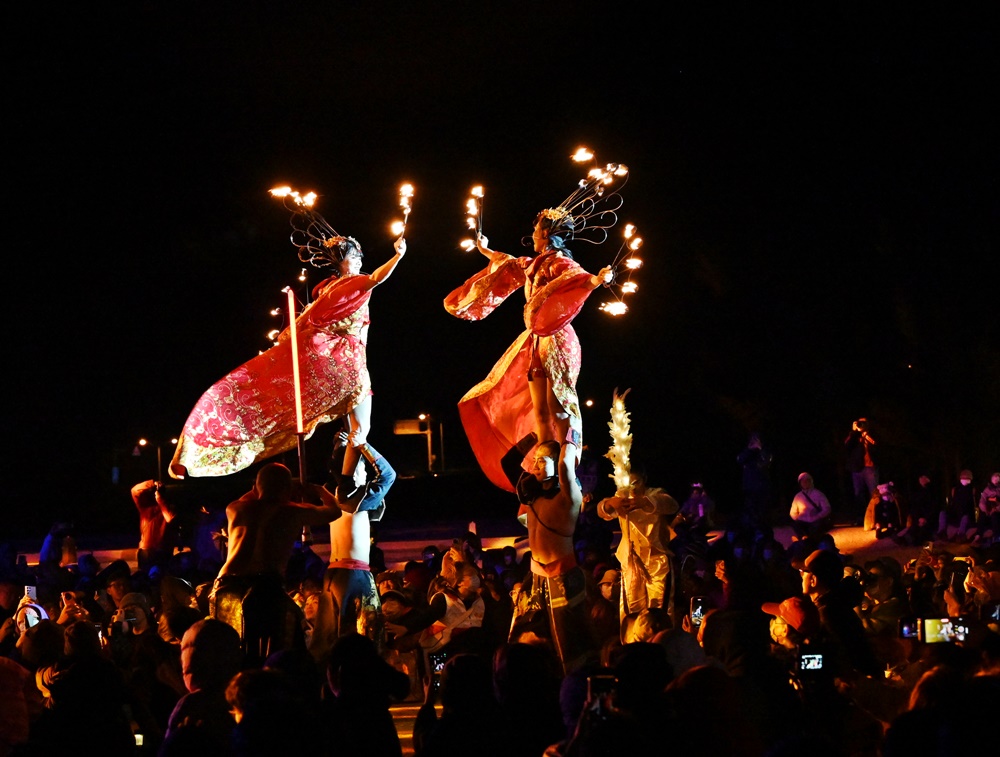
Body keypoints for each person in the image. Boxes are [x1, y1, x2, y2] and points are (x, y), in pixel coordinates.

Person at [170, 231, 406, 480]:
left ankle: (347, 481)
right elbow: (377, 278)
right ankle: (352, 481)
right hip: (347, 366)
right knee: (360, 431)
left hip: (340, 363)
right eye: (353, 256)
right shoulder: (350, 284)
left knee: (356, 432)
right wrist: (398, 256)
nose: (358, 260)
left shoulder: (328, 289)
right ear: (339, 262)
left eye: (359, 256)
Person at [444, 210, 613, 490]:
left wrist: (596, 281)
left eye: (535, 229)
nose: (532, 234)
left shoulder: (559, 262)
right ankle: (546, 478)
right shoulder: (534, 264)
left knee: (559, 413)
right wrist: (485, 249)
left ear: (546, 234)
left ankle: (566, 476)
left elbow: (578, 277)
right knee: (541, 415)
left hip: (557, 339)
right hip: (536, 341)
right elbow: (509, 265)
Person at [210, 463, 342, 662]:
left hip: (227, 583)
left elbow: (254, 495)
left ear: (255, 487)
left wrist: (259, 487)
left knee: (228, 650)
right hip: (266, 586)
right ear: (288, 489)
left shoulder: (235, 508)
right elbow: (334, 511)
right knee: (274, 649)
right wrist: (317, 490)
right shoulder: (294, 510)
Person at [502, 437, 594, 674]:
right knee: (523, 637)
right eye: (535, 460)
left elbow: (564, 468)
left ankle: (572, 691)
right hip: (535, 575)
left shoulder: (568, 496)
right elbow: (509, 463)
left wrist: (569, 438)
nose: (535, 465)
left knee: (567, 643)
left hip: (562, 576)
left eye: (542, 461)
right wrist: (531, 440)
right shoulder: (531, 495)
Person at [596, 466, 679, 631]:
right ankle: (632, 647)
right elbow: (601, 510)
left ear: (644, 479)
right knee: (631, 610)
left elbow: (671, 504)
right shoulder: (621, 498)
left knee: (660, 610)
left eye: (636, 483)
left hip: (657, 562)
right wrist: (610, 503)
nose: (632, 489)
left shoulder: (654, 494)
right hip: (631, 563)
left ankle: (661, 645)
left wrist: (642, 502)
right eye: (628, 484)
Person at [130, 479, 179, 572]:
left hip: (164, 550)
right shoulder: (145, 505)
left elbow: (170, 519)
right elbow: (135, 490)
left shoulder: (170, 506)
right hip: (147, 550)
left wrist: (161, 500)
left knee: (163, 579)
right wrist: (152, 483)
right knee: (145, 579)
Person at [736, 431, 774, 528]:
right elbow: (740, 459)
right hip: (749, 486)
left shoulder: (764, 450)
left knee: (763, 511)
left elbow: (767, 461)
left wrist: (760, 448)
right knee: (750, 510)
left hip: (762, 486)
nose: (754, 441)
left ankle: (763, 529)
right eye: (752, 439)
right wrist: (749, 449)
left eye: (756, 439)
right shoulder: (747, 452)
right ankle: (752, 528)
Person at [845, 417, 878, 520]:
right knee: (858, 494)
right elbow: (847, 445)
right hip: (857, 469)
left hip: (870, 467)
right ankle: (861, 517)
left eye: (863, 423)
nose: (861, 425)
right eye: (859, 423)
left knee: (874, 493)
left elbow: (875, 443)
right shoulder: (854, 436)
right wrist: (853, 432)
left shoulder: (871, 434)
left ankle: (876, 517)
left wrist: (865, 434)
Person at [789, 472, 832, 541]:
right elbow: (792, 512)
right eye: (803, 481)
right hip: (802, 520)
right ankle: (803, 537)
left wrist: (818, 516)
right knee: (795, 525)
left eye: (807, 481)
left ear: (811, 481)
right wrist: (797, 518)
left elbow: (827, 508)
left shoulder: (818, 494)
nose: (805, 483)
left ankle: (812, 539)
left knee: (817, 527)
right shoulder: (798, 496)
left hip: (815, 520)